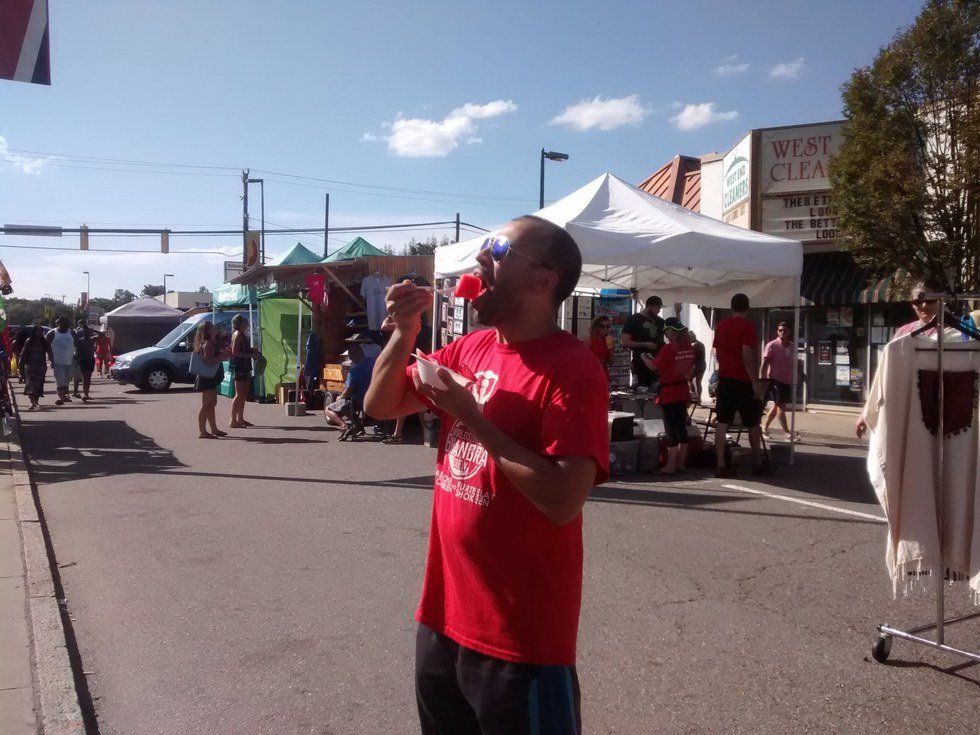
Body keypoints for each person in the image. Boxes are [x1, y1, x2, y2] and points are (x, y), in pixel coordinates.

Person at [365, 215, 609, 733]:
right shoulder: (470, 348)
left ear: (543, 281)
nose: (481, 258)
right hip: (443, 615)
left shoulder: (573, 369)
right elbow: (381, 404)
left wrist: (472, 415)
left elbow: (563, 499)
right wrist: (405, 332)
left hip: (520, 639)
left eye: (498, 251)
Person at [857, 276, 947, 439]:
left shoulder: (953, 334)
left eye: (931, 300)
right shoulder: (903, 333)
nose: (924, 305)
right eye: (918, 301)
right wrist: (866, 413)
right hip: (906, 404)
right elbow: (885, 375)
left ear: (941, 301)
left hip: (943, 408)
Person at [711, 293, 771, 478]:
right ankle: (757, 462)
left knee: (722, 422)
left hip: (726, 378)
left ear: (731, 307)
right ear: (748, 308)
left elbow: (716, 351)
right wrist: (755, 382)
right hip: (742, 379)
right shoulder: (747, 326)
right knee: (753, 422)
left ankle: (721, 463)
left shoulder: (721, 326)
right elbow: (747, 354)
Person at [643, 317, 695, 473]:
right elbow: (689, 370)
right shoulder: (688, 348)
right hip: (682, 390)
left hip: (670, 392)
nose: (665, 334)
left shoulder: (669, 348)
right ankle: (680, 464)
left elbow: (653, 367)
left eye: (666, 331)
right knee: (682, 428)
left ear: (673, 332)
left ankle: (670, 465)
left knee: (671, 428)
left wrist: (644, 357)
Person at [324, 337, 376, 431]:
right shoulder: (374, 364)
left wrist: (340, 398)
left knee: (329, 409)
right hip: (376, 399)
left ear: (353, 356)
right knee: (347, 403)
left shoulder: (354, 372)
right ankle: (358, 425)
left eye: (351, 357)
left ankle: (344, 426)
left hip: (360, 401)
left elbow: (348, 390)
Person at [193, 321, 229, 439]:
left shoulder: (211, 342)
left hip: (210, 377)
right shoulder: (208, 343)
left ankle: (214, 429)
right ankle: (202, 431)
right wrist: (221, 357)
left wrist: (220, 354)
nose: (215, 328)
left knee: (211, 404)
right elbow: (207, 361)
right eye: (213, 327)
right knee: (207, 404)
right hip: (207, 377)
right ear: (208, 330)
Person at [761, 322, 797, 440]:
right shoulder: (772, 345)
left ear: (789, 333)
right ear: (777, 331)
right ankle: (787, 433)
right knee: (781, 406)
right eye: (780, 330)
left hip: (787, 380)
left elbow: (795, 363)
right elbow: (764, 363)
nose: (782, 333)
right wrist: (762, 379)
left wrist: (800, 374)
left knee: (777, 405)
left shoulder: (792, 346)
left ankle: (764, 427)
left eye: (785, 331)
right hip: (775, 380)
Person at [620, 295, 665, 389]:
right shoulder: (634, 319)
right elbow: (625, 341)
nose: (659, 311)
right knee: (642, 390)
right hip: (639, 363)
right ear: (649, 306)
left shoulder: (659, 321)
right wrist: (645, 344)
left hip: (656, 362)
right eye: (657, 308)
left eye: (660, 308)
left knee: (657, 390)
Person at [228, 314, 261, 429]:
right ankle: (233, 420)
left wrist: (251, 350)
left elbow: (242, 350)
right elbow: (234, 352)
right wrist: (250, 354)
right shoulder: (237, 334)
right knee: (239, 394)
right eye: (246, 321)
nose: (248, 323)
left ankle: (240, 418)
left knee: (244, 394)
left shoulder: (242, 334)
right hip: (239, 366)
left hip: (245, 366)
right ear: (240, 323)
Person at [19, 325, 52, 410]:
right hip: (30, 365)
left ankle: (36, 402)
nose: (39, 334)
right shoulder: (29, 341)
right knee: (30, 384)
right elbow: (23, 354)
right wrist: (21, 366)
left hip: (41, 366)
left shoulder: (44, 342)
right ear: (34, 332)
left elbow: (50, 352)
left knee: (39, 384)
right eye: (38, 332)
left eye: (41, 332)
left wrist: (52, 361)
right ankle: (31, 402)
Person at [46, 317, 77, 406]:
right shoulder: (52, 333)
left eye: (68, 323)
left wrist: (77, 355)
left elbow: (77, 344)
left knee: (67, 379)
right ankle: (61, 396)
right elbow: (47, 346)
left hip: (70, 359)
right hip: (57, 360)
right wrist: (51, 358)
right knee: (60, 378)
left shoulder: (71, 332)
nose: (68, 325)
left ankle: (64, 395)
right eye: (65, 323)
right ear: (59, 323)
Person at [72, 319, 98, 401]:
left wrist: (93, 329)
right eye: (85, 332)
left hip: (90, 359)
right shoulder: (80, 341)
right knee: (84, 377)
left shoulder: (92, 339)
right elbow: (73, 336)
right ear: (83, 332)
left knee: (88, 378)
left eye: (88, 332)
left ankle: (86, 394)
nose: (87, 333)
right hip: (83, 360)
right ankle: (82, 393)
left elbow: (102, 335)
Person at [689, 331, 707, 402]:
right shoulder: (701, 344)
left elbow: (693, 357)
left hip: (696, 365)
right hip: (702, 365)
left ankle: (694, 396)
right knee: (698, 382)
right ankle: (699, 398)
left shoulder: (695, 345)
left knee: (689, 379)